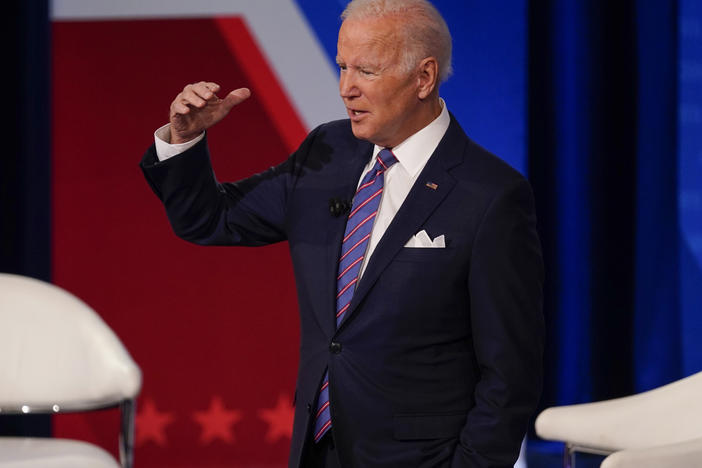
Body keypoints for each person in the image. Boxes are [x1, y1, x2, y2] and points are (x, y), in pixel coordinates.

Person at [140, 0, 544, 466]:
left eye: (366, 71)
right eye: (342, 67)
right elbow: (211, 219)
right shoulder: (327, 151)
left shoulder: (489, 195)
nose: (345, 88)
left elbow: (510, 375)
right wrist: (184, 139)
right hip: (319, 450)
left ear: (424, 78)